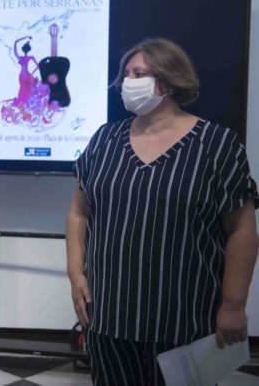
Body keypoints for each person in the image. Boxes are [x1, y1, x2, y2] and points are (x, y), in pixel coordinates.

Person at [65, 38, 258, 385]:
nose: (128, 82)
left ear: (169, 81)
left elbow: (241, 230)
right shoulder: (104, 140)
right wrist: (76, 275)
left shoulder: (216, 144)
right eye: (125, 74)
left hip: (184, 318)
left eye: (139, 73)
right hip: (109, 316)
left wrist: (233, 305)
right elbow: (79, 213)